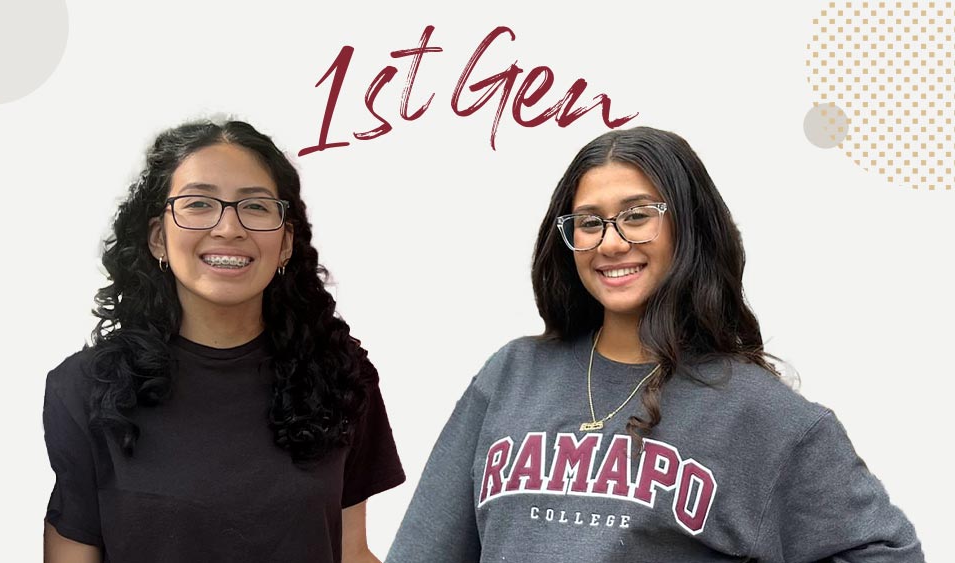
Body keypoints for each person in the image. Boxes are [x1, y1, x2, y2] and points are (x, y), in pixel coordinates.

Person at [386, 127, 923, 562]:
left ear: (688, 227)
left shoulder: (761, 414)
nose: (610, 242)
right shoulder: (511, 376)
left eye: (637, 215)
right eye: (589, 222)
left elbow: (888, 553)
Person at [42, 119, 405, 563]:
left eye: (255, 206)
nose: (229, 228)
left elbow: (351, 552)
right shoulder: (85, 389)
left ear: (286, 242)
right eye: (198, 203)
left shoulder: (339, 375)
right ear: (158, 238)